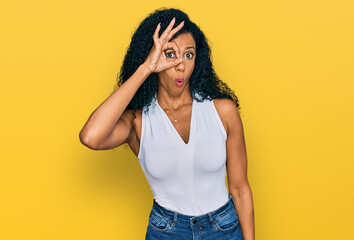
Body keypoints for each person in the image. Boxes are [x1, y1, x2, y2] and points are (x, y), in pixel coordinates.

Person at [79, 7, 255, 240]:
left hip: (223, 229)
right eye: (169, 54)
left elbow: (241, 190)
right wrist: (146, 68)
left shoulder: (223, 111)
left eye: (189, 55)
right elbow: (90, 137)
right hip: (167, 232)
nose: (180, 65)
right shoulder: (137, 122)